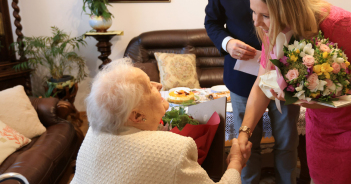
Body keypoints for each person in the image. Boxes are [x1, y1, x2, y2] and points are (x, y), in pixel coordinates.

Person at [238, 0, 351, 184]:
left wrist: (306, 103)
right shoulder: (270, 30)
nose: (256, 22)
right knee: (320, 176)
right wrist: (244, 132)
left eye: (265, 15)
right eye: (253, 12)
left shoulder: (341, 24)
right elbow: (261, 84)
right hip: (322, 120)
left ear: (288, 10)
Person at [204, 0, 315, 183]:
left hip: (288, 72)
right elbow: (212, 22)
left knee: (287, 142)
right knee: (245, 144)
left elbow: (311, 17)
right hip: (242, 77)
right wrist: (228, 43)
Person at [70, 58, 250, 184]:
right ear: (137, 116)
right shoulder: (174, 149)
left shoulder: (93, 133)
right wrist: (235, 162)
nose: (159, 85)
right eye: (149, 86)